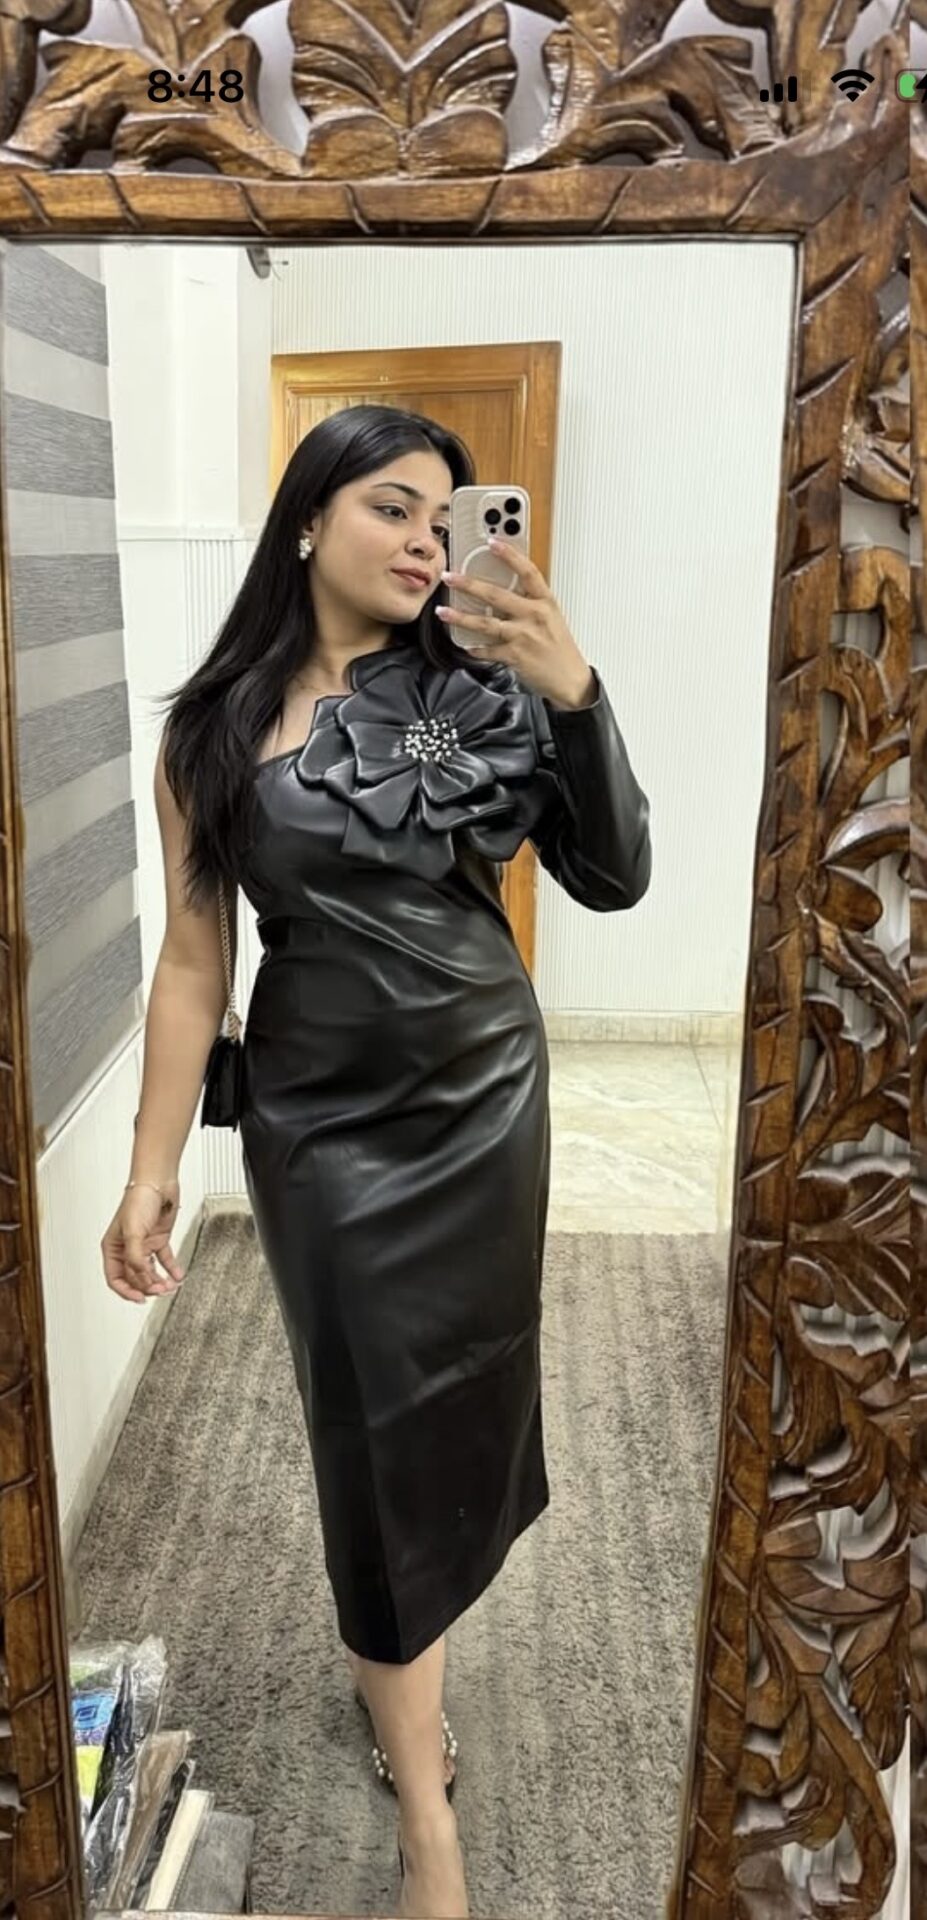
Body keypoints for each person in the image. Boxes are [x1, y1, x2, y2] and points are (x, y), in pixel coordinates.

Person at [100, 405, 652, 1919]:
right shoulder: (210, 731)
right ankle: (426, 1813)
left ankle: (403, 1675)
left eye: (444, 516)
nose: (424, 540)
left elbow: (615, 875)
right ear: (306, 519)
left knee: (458, 1410)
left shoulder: (485, 683)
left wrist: (576, 693)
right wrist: (152, 1165)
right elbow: (194, 965)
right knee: (366, 1437)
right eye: (392, 507)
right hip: (322, 1133)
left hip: (484, 1102)